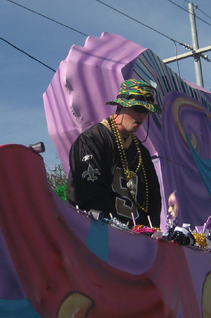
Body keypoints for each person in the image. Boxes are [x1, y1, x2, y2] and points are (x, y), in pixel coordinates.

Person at [66, 79, 162, 228]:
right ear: (121, 105)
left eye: (147, 111)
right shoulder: (92, 141)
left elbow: (153, 200)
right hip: (98, 236)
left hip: (138, 240)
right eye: (137, 108)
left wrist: (149, 233)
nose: (142, 116)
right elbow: (88, 196)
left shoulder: (141, 152)